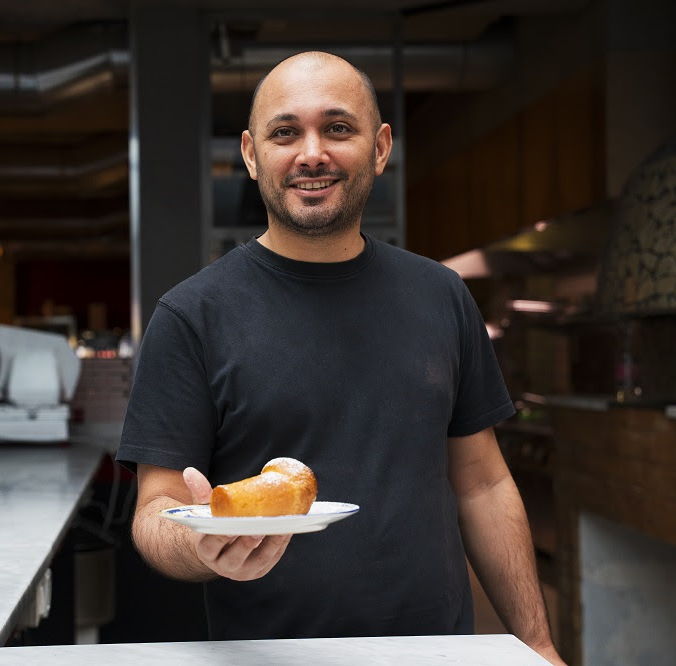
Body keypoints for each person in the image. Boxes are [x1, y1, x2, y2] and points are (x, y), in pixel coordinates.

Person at [116, 51, 565, 665]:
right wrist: (199, 544)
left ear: (379, 148)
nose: (312, 153)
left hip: (434, 652)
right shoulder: (192, 315)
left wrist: (537, 643)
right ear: (250, 154)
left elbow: (483, 483)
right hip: (269, 659)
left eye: (337, 128)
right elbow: (155, 508)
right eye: (284, 132)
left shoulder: (441, 296)